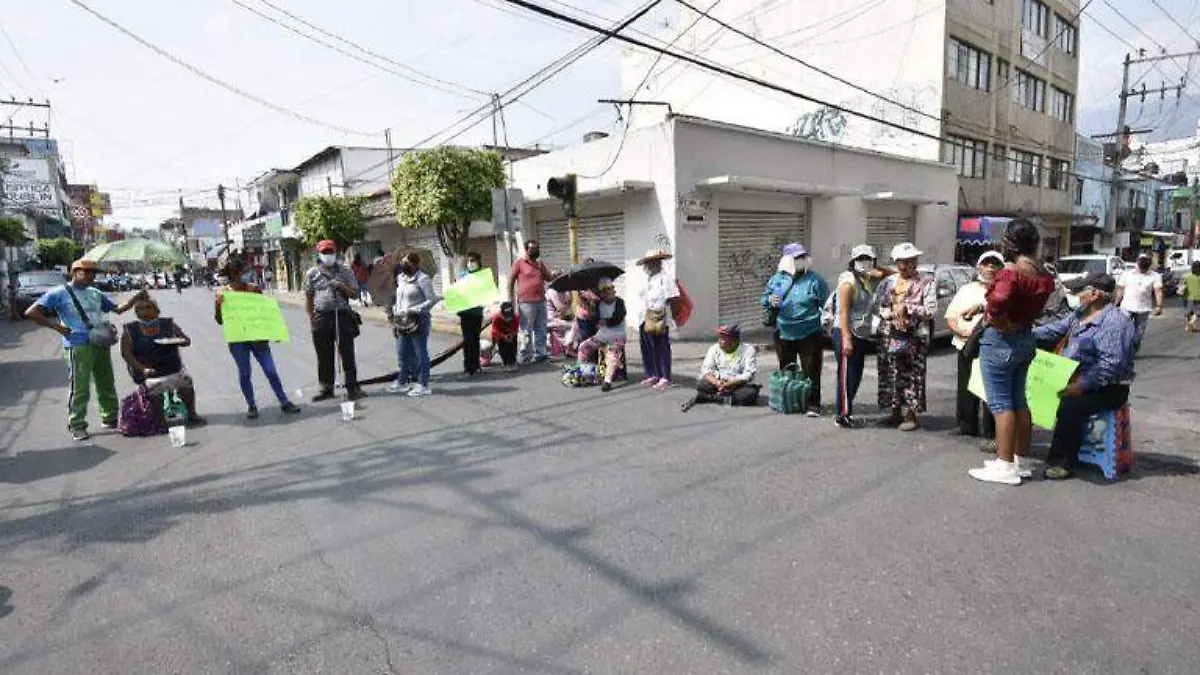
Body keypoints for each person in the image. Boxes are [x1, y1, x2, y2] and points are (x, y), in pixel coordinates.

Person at [967, 220, 1057, 485]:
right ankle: (1016, 458)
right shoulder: (1042, 272)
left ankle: (1004, 465)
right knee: (1018, 400)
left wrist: (996, 318)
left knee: (1000, 403)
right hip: (1026, 337)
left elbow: (999, 300)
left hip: (1001, 340)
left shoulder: (1012, 271)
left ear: (1010, 242)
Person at [1030, 273, 1137, 479]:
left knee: (1070, 405)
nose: (1075, 296)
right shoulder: (1081, 313)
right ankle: (1014, 444)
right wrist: (1026, 332)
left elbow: (1109, 366)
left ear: (1095, 294)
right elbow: (1057, 330)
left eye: (1080, 292)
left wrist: (1082, 385)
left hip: (1108, 387)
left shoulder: (1114, 323)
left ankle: (1062, 462)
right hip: (1074, 375)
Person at [25, 259, 146, 441]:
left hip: (100, 342)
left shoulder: (95, 292)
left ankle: (110, 417)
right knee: (80, 387)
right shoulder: (59, 293)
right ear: (75, 272)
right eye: (87, 272)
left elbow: (118, 309)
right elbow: (31, 312)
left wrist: (137, 296)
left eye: (93, 273)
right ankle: (77, 425)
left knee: (106, 382)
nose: (91, 276)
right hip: (78, 345)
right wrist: (57, 327)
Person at [217, 259, 302, 419]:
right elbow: (220, 320)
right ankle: (251, 405)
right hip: (238, 341)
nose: (249, 274)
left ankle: (284, 402)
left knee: (270, 370)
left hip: (258, 339)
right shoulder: (224, 293)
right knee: (244, 372)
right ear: (236, 274)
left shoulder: (254, 290)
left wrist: (275, 332)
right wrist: (218, 304)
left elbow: (265, 315)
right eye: (245, 271)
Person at [873, 242, 937, 431]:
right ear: (897, 262)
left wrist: (908, 309)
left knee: (913, 375)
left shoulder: (927, 281)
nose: (909, 265)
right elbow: (878, 306)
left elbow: (931, 310)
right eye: (904, 262)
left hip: (914, 336)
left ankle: (911, 414)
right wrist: (892, 314)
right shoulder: (888, 282)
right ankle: (894, 411)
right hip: (889, 333)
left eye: (913, 261)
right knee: (891, 371)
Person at [762, 243, 830, 416]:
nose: (800, 261)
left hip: (809, 332)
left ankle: (812, 404)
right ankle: (789, 400)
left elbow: (828, 304)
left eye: (802, 257)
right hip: (783, 331)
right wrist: (771, 301)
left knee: (811, 370)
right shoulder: (777, 279)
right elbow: (764, 299)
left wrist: (827, 324)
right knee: (786, 369)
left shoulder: (815, 280)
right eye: (796, 258)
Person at [945, 251, 1003, 448]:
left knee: (989, 389)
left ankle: (992, 430)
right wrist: (959, 330)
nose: (990, 268)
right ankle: (966, 424)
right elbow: (951, 315)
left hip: (991, 347)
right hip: (965, 344)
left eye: (995, 264)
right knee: (966, 385)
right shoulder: (966, 290)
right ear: (979, 267)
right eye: (986, 263)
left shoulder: (1003, 291)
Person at [120, 295, 206, 427]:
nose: (144, 311)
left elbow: (186, 340)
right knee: (155, 388)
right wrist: (143, 369)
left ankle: (192, 414)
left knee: (186, 382)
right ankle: (160, 420)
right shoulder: (131, 330)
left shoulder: (168, 324)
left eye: (148, 307)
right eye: (140, 309)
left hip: (172, 368)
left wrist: (181, 341)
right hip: (149, 372)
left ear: (157, 310)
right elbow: (126, 353)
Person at [302, 240, 365, 402]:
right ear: (319, 254)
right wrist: (312, 318)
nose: (328, 255)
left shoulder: (345, 271)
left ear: (335, 252)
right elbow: (308, 297)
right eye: (324, 252)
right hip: (321, 316)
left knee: (347, 352)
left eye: (330, 252)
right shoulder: (312, 273)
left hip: (342, 314)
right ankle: (326, 388)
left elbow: (354, 294)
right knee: (324, 354)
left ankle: (352, 387)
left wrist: (341, 286)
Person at [831, 244, 883, 428]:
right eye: (860, 259)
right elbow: (843, 312)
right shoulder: (848, 281)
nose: (864, 262)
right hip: (846, 331)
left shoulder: (866, 279)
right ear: (853, 261)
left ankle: (846, 410)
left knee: (856, 374)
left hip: (861, 333)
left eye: (868, 259)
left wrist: (877, 270)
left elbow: (891, 272)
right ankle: (843, 415)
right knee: (847, 376)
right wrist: (846, 338)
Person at [388, 252, 436, 397]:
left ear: (415, 265)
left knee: (420, 353)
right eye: (402, 263)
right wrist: (395, 312)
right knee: (402, 352)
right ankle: (402, 381)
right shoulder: (400, 278)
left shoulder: (423, 279)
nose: (403, 265)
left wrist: (415, 309)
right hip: (402, 320)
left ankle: (423, 384)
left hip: (418, 320)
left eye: (407, 263)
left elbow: (431, 300)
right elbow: (398, 299)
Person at [681, 323, 760, 411]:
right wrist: (717, 383)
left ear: (733, 340)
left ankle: (714, 398)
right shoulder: (714, 349)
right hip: (719, 382)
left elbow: (748, 374)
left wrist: (729, 384)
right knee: (701, 384)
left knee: (749, 394)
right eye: (720, 337)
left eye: (723, 338)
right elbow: (706, 369)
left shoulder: (748, 350)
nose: (719, 341)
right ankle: (725, 398)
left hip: (737, 384)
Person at [638, 248, 682, 390]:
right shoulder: (649, 278)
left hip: (661, 318)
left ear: (658, 262)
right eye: (649, 263)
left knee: (661, 348)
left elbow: (674, 298)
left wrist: (675, 316)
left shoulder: (666, 278)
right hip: (645, 317)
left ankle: (664, 377)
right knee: (647, 347)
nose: (650, 265)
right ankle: (652, 374)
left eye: (653, 262)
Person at [575, 278, 627, 392]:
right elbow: (595, 320)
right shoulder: (599, 303)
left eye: (610, 289)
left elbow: (618, 318)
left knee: (612, 355)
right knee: (584, 347)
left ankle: (607, 381)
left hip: (617, 335)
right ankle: (581, 370)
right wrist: (590, 307)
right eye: (604, 291)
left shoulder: (619, 302)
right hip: (602, 335)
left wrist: (605, 321)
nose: (607, 293)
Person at [509, 240, 554, 364]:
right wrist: (510, 300)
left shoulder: (540, 264)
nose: (535, 250)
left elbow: (549, 277)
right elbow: (511, 281)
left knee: (541, 329)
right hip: (526, 303)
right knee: (526, 330)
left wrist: (555, 274)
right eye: (532, 248)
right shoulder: (519, 263)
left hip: (541, 301)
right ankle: (525, 356)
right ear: (526, 249)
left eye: (536, 248)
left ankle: (541, 354)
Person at [1115, 252, 1164, 352]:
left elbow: (1158, 291)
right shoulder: (1127, 274)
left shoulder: (1155, 276)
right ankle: (1122, 349)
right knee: (1123, 328)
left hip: (1143, 308)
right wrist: (1116, 303)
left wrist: (1159, 306)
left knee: (1139, 332)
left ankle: (1134, 350)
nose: (1142, 269)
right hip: (1127, 306)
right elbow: (1120, 289)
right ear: (1137, 263)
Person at [458, 252, 486, 378]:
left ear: (479, 261)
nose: (471, 263)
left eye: (473, 260)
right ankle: (468, 368)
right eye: (469, 260)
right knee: (467, 341)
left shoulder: (483, 276)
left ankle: (476, 366)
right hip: (465, 313)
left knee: (475, 340)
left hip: (477, 312)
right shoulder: (463, 275)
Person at [490, 301, 520, 371]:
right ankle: (505, 361)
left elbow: (516, 329)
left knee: (512, 344)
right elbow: (495, 331)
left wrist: (511, 335)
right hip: (499, 335)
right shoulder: (496, 317)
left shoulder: (516, 317)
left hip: (510, 334)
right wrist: (503, 336)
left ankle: (512, 361)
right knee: (503, 346)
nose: (508, 318)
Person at [1183, 261, 1200, 331]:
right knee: (1198, 313)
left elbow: (1181, 285)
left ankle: (1188, 326)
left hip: (1187, 297)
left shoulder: (1185, 276)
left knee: (1189, 312)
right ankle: (1191, 323)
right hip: (1198, 297)